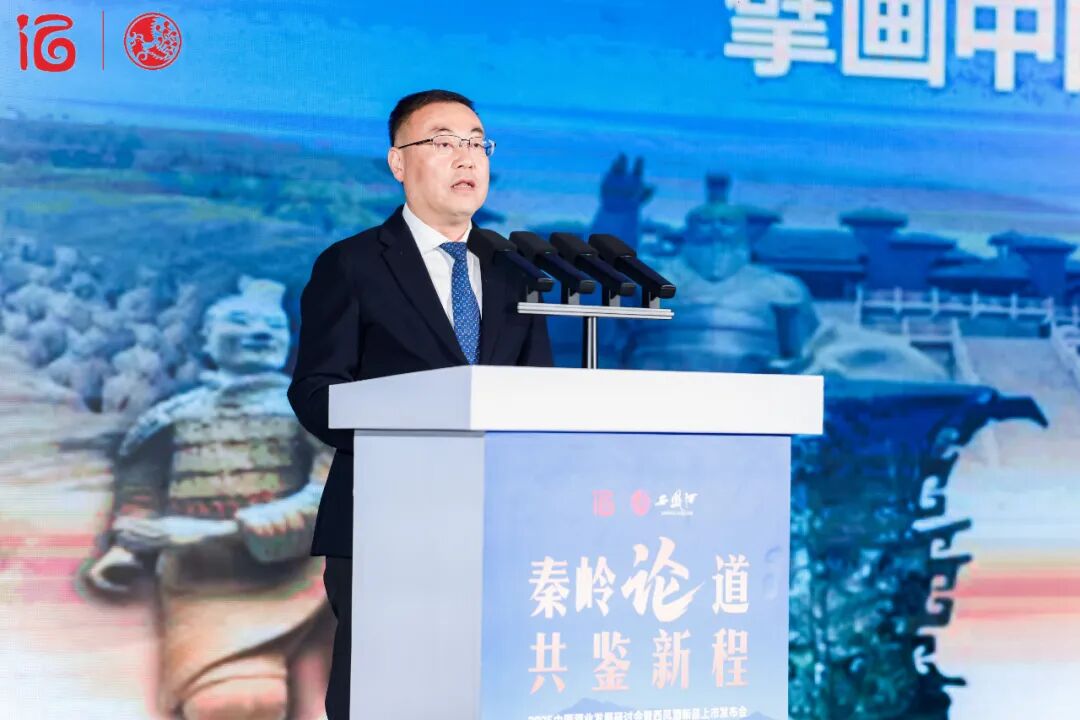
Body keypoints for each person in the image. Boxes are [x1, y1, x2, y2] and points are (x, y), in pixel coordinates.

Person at [287, 89, 553, 719]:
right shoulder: (352, 264)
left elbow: (536, 393)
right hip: (385, 520)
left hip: (494, 524)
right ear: (398, 162)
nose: (466, 157)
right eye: (443, 141)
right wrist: (409, 438)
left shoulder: (515, 270)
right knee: (382, 693)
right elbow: (316, 389)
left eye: (477, 143)